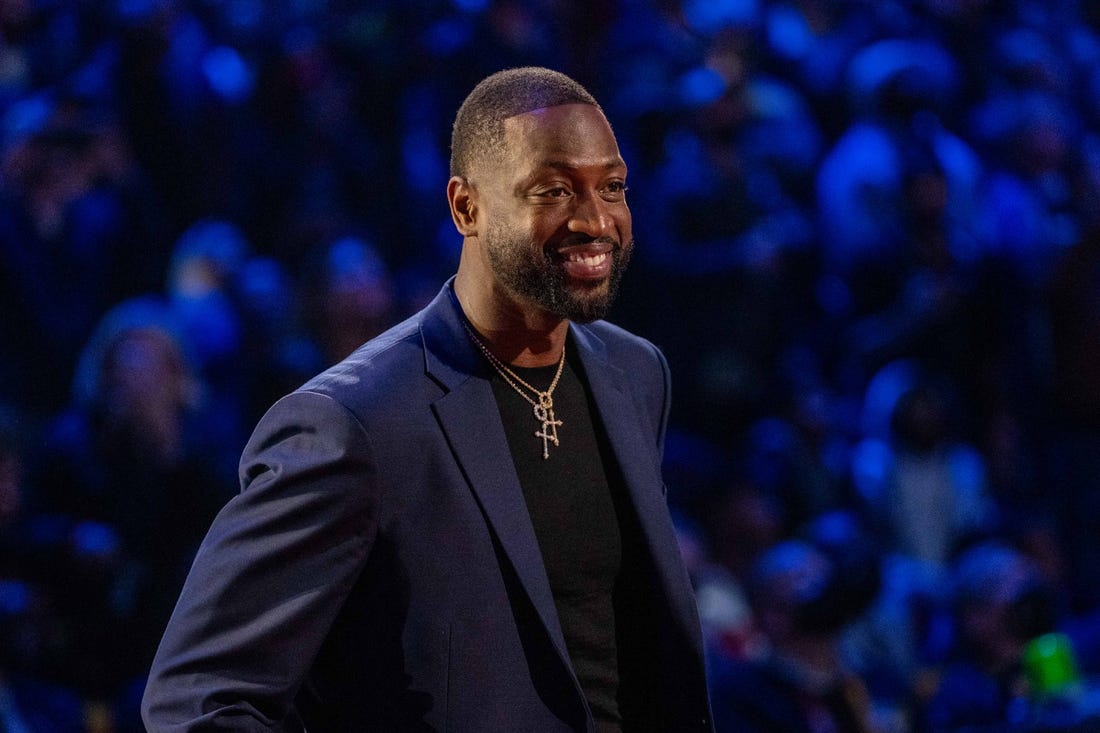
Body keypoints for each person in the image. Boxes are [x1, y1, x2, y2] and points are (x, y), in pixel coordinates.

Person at [141, 67, 714, 732]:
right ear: (466, 206)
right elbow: (201, 695)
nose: (595, 220)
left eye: (611, 187)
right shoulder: (353, 420)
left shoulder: (636, 373)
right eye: (554, 189)